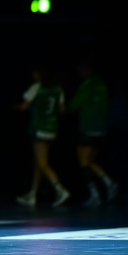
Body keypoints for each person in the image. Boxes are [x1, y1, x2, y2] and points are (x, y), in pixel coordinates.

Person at [15, 66, 70, 207]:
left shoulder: (37, 87)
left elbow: (23, 106)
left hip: (39, 130)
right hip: (52, 129)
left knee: (43, 164)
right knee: (39, 162)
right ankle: (32, 194)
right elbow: (62, 109)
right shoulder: (58, 88)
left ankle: (60, 190)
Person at [68, 60, 118, 206]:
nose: (79, 73)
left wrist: (62, 110)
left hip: (88, 129)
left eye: (80, 69)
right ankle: (109, 183)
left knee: (83, 163)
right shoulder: (102, 84)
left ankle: (95, 194)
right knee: (90, 161)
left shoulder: (87, 85)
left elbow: (74, 105)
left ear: (86, 69)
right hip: (101, 130)